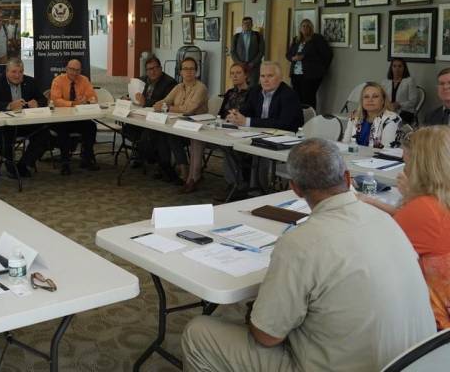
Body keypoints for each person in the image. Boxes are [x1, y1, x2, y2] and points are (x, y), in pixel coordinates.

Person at [181, 138, 435, 372]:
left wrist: (261, 317)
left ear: (295, 189)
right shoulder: (386, 221)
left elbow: (266, 337)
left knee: (198, 332)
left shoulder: (301, 243)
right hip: (414, 362)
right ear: (347, 178)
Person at [359, 126, 450, 330]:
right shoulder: (440, 200)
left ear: (421, 166)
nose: (404, 169)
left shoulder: (424, 208)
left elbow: (374, 255)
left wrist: (410, 198)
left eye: (407, 162)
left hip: (431, 326)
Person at [0, 58, 49, 179]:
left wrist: (37, 103)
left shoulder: (30, 81)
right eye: (14, 72)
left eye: (20, 72)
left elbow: (43, 100)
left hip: (26, 123)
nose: (17, 75)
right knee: (4, 133)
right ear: (7, 72)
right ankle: (10, 165)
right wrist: (9, 105)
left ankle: (24, 164)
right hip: (6, 124)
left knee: (44, 132)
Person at [152, 57, 208, 190]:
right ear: (180, 71)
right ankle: (180, 169)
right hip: (179, 125)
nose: (188, 72)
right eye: (185, 69)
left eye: (191, 69)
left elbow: (189, 109)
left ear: (196, 72)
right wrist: (160, 105)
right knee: (166, 134)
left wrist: (166, 108)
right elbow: (164, 101)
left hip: (198, 128)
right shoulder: (178, 87)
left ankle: (192, 177)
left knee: (174, 135)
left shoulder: (201, 88)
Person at [49, 59, 100, 175]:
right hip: (61, 119)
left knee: (91, 126)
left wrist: (86, 100)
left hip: (78, 118)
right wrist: (72, 103)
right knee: (63, 130)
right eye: (72, 69)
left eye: (77, 70)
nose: (74, 73)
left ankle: (86, 158)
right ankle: (65, 162)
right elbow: (56, 100)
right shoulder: (58, 80)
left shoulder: (84, 80)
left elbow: (94, 98)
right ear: (67, 69)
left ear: (80, 70)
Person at [127, 56, 177, 166]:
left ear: (161, 68)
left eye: (155, 68)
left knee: (148, 133)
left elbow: (165, 103)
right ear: (146, 71)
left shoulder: (170, 83)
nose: (153, 71)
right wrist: (127, 97)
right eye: (149, 69)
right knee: (128, 126)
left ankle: (143, 155)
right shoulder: (142, 80)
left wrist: (146, 102)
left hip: (159, 118)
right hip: (141, 115)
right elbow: (135, 94)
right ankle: (145, 152)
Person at [226, 61, 303, 131]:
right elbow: (247, 110)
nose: (265, 80)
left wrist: (247, 121)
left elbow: (283, 123)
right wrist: (236, 115)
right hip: (258, 133)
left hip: (284, 138)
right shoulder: (255, 91)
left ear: (280, 78)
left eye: (270, 76)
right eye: (262, 76)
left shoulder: (289, 95)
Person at [286, 19, 333, 108]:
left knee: (308, 99)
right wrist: (293, 58)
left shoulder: (317, 39)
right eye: (303, 26)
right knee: (297, 98)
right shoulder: (296, 39)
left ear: (311, 28)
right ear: (300, 28)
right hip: (296, 74)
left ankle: (311, 119)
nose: (305, 28)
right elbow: (288, 54)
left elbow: (328, 55)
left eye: (308, 26)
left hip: (311, 75)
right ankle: (299, 119)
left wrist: (322, 68)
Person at [342, 82, 401, 149]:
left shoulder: (392, 119)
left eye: (375, 96)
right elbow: (345, 143)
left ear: (383, 100)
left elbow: (387, 151)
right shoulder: (355, 115)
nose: (370, 100)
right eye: (366, 97)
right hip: (353, 157)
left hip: (379, 159)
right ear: (362, 101)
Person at [381, 58, 419, 125]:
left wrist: (399, 104)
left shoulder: (409, 81)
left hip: (404, 112)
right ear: (391, 68)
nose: (397, 69)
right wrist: (388, 105)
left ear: (404, 68)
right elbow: (381, 99)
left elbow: (413, 101)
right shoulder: (385, 82)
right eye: (394, 66)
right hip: (388, 111)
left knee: (391, 124)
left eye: (400, 66)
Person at [230, 17, 265, 87]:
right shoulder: (236, 37)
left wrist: (252, 63)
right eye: (245, 23)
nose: (247, 25)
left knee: (253, 88)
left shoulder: (258, 36)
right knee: (239, 86)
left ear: (252, 25)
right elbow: (233, 52)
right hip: (239, 67)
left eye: (249, 23)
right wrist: (239, 63)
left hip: (254, 67)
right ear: (242, 25)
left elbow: (261, 51)